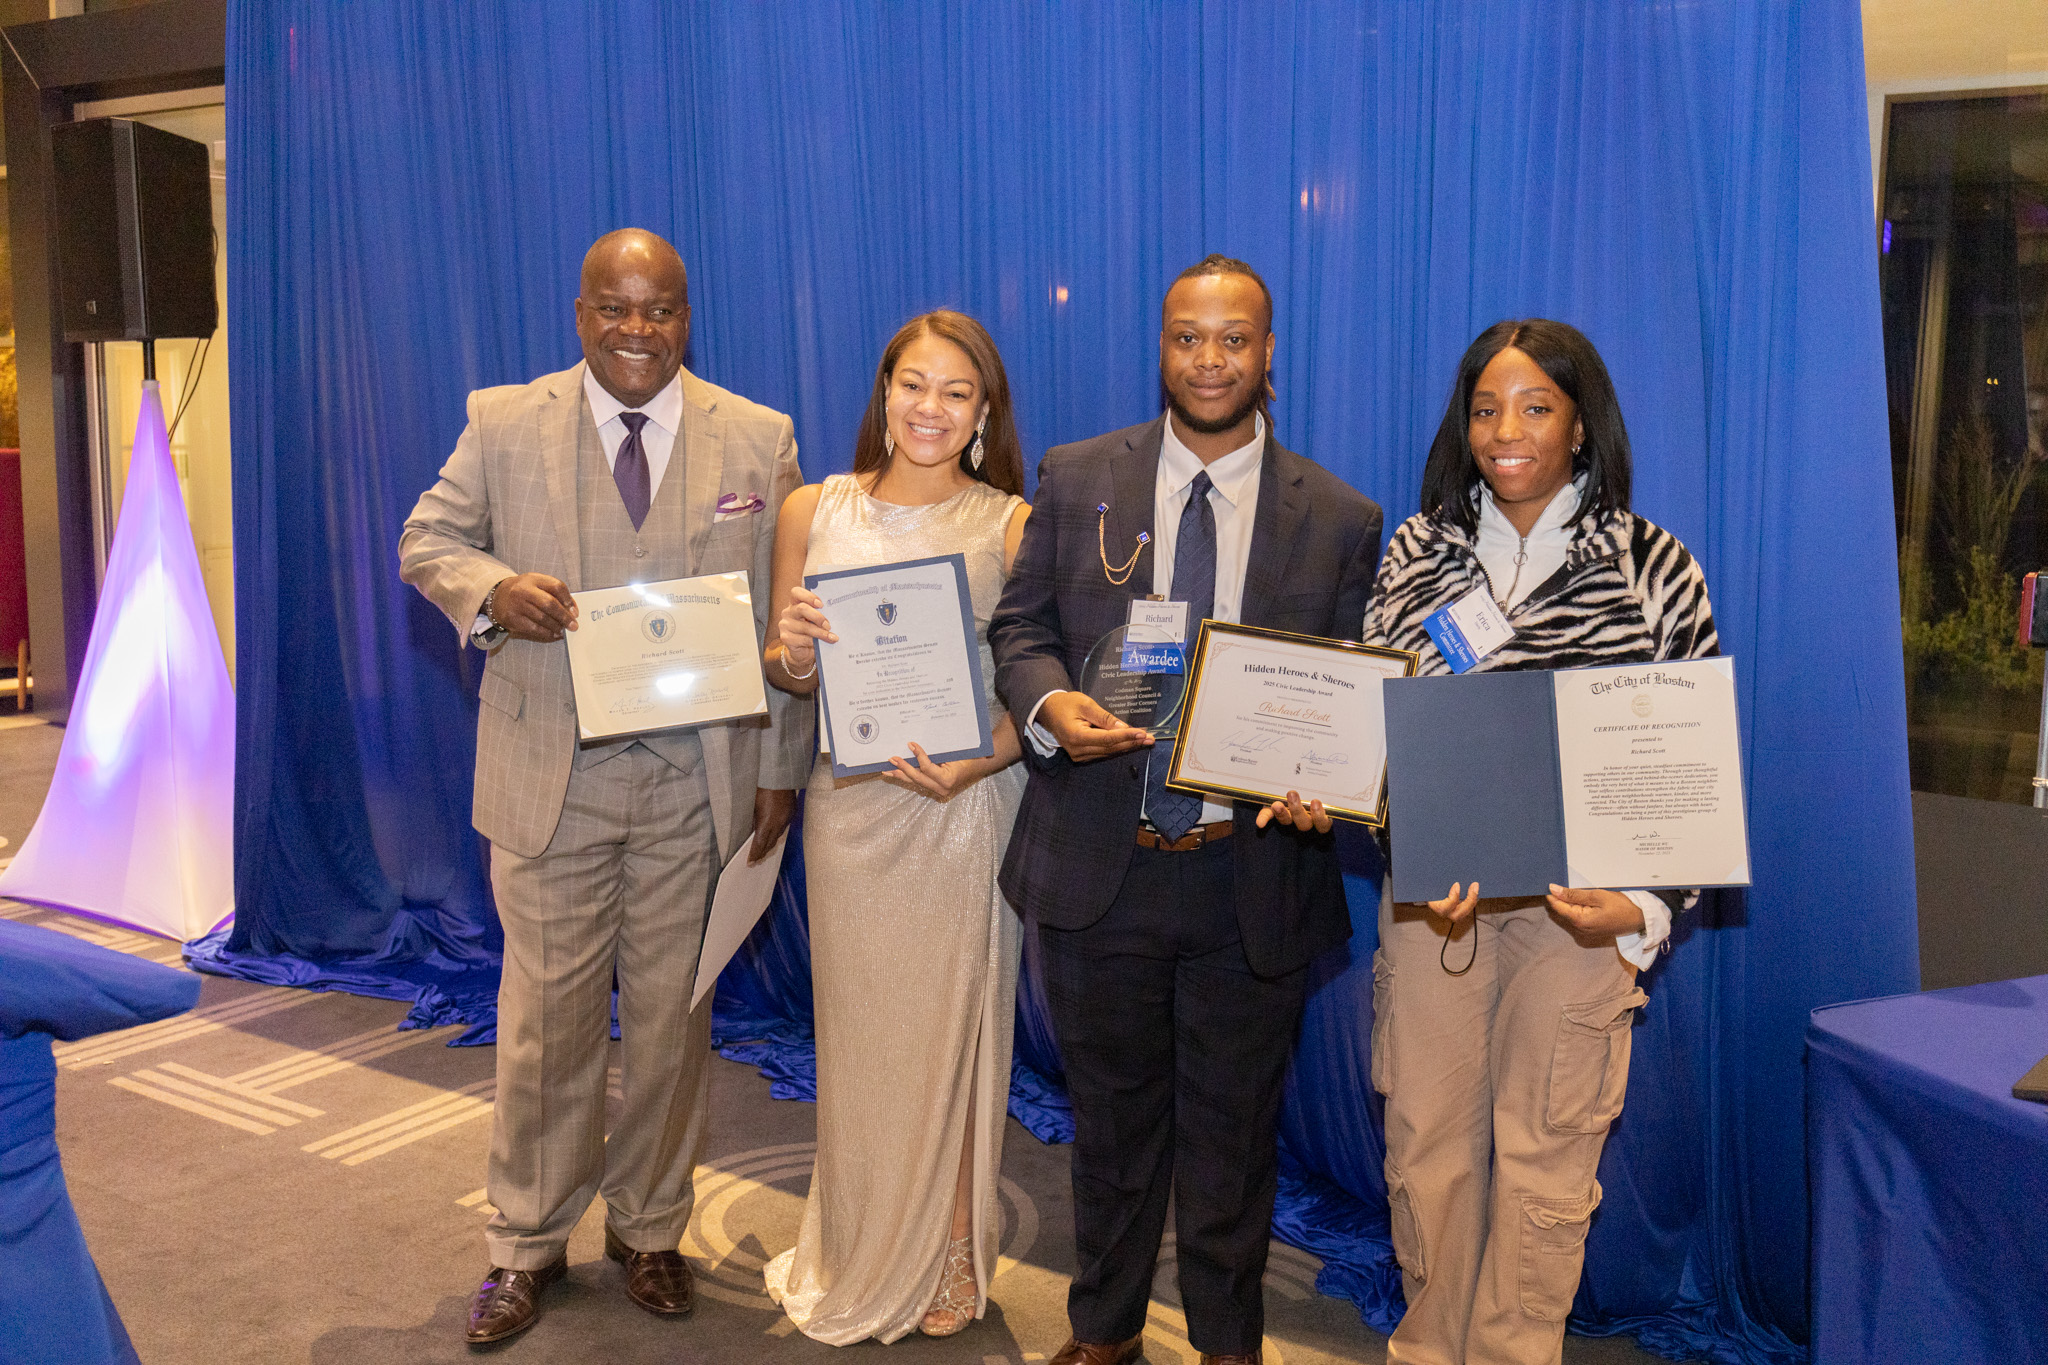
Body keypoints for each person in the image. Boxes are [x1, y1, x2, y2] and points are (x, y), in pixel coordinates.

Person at [397, 229, 813, 1345]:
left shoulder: (758, 435)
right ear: (580, 313)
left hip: (698, 785)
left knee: (674, 1022)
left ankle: (651, 1226)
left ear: (687, 319)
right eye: (614, 308)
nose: (637, 330)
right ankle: (526, 1241)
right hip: (553, 778)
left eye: (660, 309)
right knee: (546, 1027)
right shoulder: (502, 420)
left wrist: (779, 769)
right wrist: (493, 592)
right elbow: (426, 541)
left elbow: (789, 617)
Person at [989, 256, 1383, 1365]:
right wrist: (1049, 703)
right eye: (1186, 337)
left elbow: (1348, 691)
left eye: (1233, 339)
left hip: (1247, 872)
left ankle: (1226, 1344)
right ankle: (1104, 1333)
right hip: (1098, 858)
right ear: (1160, 346)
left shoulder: (1340, 516)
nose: (1209, 360)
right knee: (1109, 1128)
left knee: (1232, 1137)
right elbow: (1019, 630)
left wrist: (1327, 783)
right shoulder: (1075, 476)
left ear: (1268, 352)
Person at [1363, 319, 1718, 1365]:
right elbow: (1378, 729)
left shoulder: (1652, 564)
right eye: (1485, 409)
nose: (1505, 431)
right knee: (1424, 1147)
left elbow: (1689, 762)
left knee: (1546, 1163)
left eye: (1533, 407)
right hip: (1437, 909)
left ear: (1580, 424)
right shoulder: (1415, 551)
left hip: (1577, 922)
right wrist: (1404, 834)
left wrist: (1644, 904)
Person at [758, 310, 1032, 1343]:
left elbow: (1039, 685)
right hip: (851, 813)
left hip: (963, 811)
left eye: (956, 392)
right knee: (863, 1040)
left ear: (983, 412)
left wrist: (982, 760)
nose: (930, 407)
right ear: (884, 392)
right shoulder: (811, 508)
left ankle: (952, 1249)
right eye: (913, 384)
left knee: (954, 1035)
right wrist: (792, 648)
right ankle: (860, 1244)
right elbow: (787, 669)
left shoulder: (1010, 523)